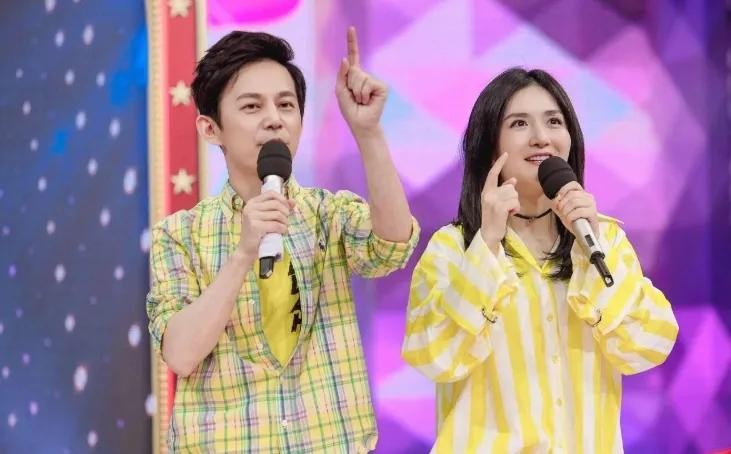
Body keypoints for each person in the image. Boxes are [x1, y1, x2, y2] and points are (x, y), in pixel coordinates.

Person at [146, 27, 419, 452]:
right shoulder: (178, 235)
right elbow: (180, 354)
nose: (274, 118)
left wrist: (368, 133)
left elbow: (392, 247)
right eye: (252, 106)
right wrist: (244, 252)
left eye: (286, 104)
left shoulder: (327, 214)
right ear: (211, 128)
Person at [401, 67, 678, 453]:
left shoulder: (604, 240)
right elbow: (433, 358)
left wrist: (590, 249)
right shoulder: (454, 248)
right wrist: (487, 245)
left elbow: (649, 345)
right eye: (519, 123)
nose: (541, 137)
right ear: (490, 145)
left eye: (554, 121)